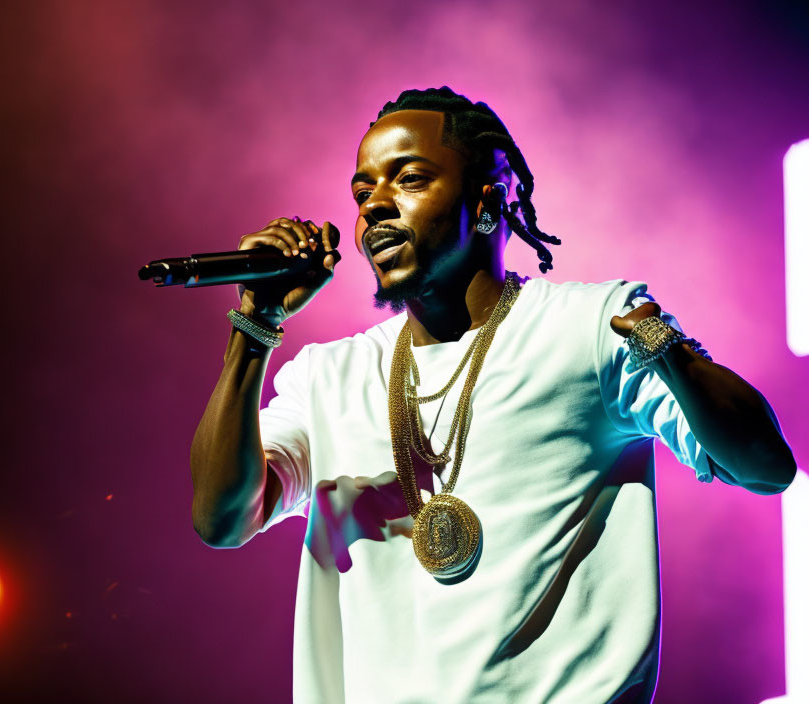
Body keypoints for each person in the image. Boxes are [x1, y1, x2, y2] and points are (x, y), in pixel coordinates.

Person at [188, 87, 796, 704]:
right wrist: (255, 325)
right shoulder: (327, 376)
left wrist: (660, 341)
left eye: (410, 179)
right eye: (363, 191)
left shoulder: (589, 328)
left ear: (487, 200)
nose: (374, 208)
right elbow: (222, 519)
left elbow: (766, 467)